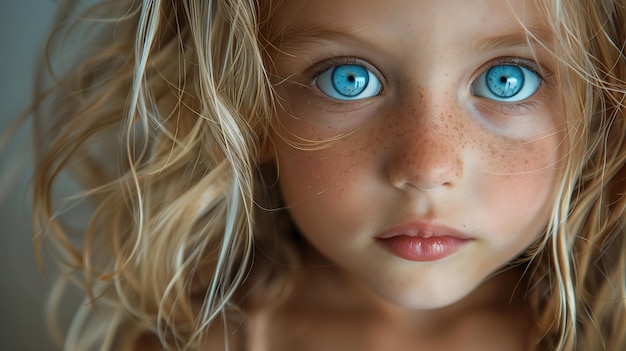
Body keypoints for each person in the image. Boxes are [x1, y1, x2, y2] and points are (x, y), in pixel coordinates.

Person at [24, 0, 626, 349]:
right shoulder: (209, 342)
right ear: (248, 108)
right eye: (347, 78)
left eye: (507, 79)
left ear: (601, 108)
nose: (427, 166)